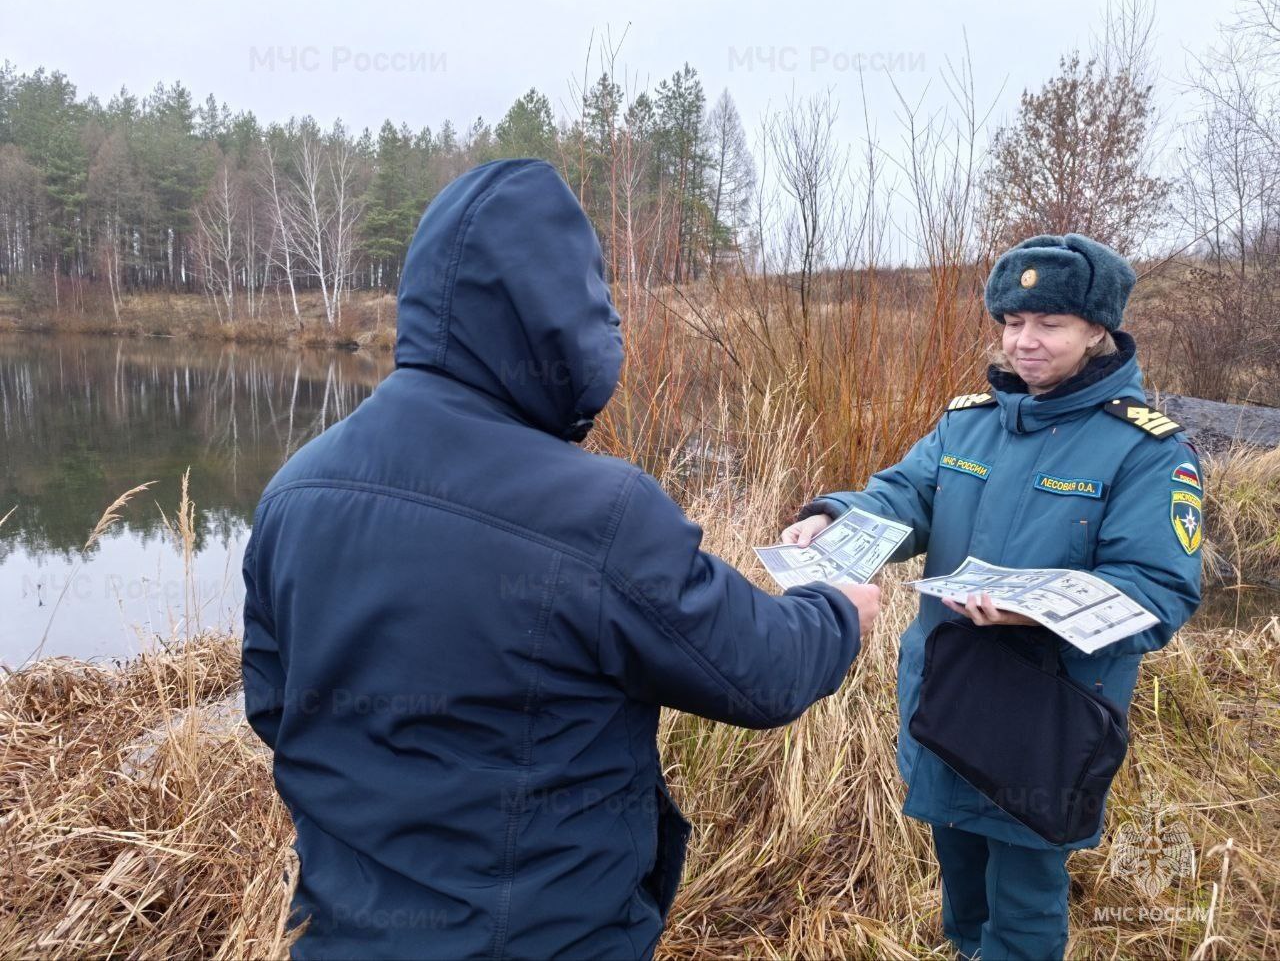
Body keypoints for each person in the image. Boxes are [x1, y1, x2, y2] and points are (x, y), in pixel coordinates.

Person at [240, 157, 881, 960]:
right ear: (561, 320)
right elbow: (761, 672)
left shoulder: (295, 489)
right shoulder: (599, 512)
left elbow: (272, 705)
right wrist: (838, 614)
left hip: (345, 934)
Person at [783, 233, 1203, 960]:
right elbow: (904, 495)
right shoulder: (968, 421)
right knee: (965, 897)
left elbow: (1158, 589)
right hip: (947, 696)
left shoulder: (1146, 451)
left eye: (1050, 324)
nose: (1025, 342)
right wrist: (834, 519)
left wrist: (1034, 609)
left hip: (1047, 719)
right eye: (1012, 322)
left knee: (1022, 909)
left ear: (1098, 331)